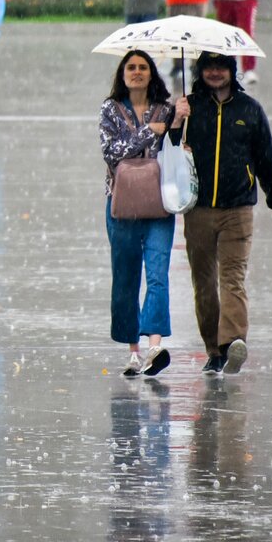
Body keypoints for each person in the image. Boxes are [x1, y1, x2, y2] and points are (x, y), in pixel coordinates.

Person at [170, 52, 272, 375]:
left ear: (231, 70)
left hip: (238, 209)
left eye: (221, 66)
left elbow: (266, 161)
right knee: (204, 283)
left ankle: (232, 344)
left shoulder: (250, 110)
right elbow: (167, 152)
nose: (214, 72)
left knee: (233, 278)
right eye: (208, 67)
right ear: (200, 71)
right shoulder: (189, 106)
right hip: (197, 209)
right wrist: (175, 121)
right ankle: (213, 350)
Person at [99, 50, 179, 377]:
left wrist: (177, 124)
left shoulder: (168, 109)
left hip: (160, 203)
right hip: (122, 203)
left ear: (151, 73)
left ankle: (154, 346)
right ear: (122, 73)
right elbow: (112, 152)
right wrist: (153, 131)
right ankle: (133, 351)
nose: (137, 72)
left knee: (158, 274)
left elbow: (179, 151)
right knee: (127, 275)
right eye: (131, 67)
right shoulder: (110, 110)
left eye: (143, 67)